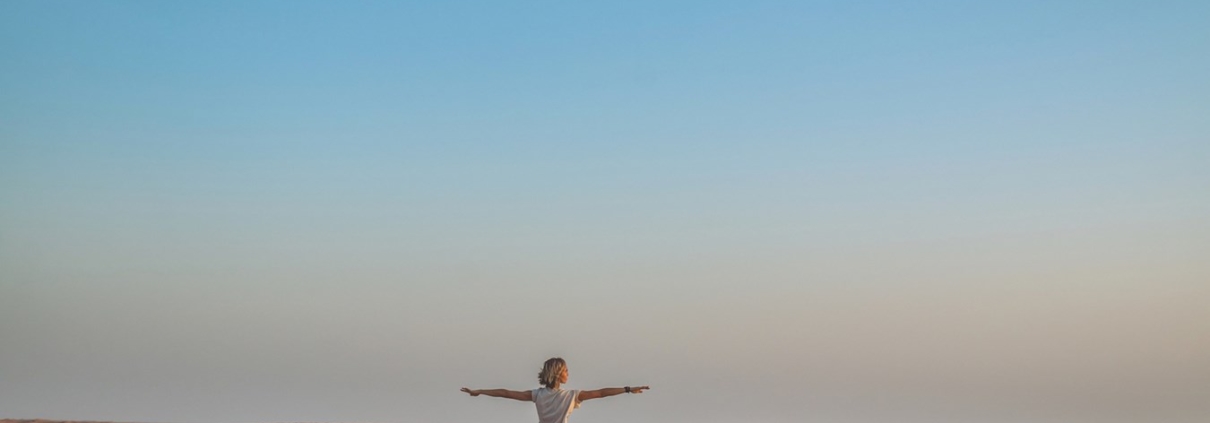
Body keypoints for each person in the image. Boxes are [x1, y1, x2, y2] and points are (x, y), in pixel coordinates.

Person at [460, 357, 650, 423]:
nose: (569, 373)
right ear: (559, 374)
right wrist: (627, 389)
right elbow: (601, 393)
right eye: (566, 370)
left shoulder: (537, 395)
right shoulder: (571, 396)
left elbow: (506, 393)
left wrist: (480, 391)